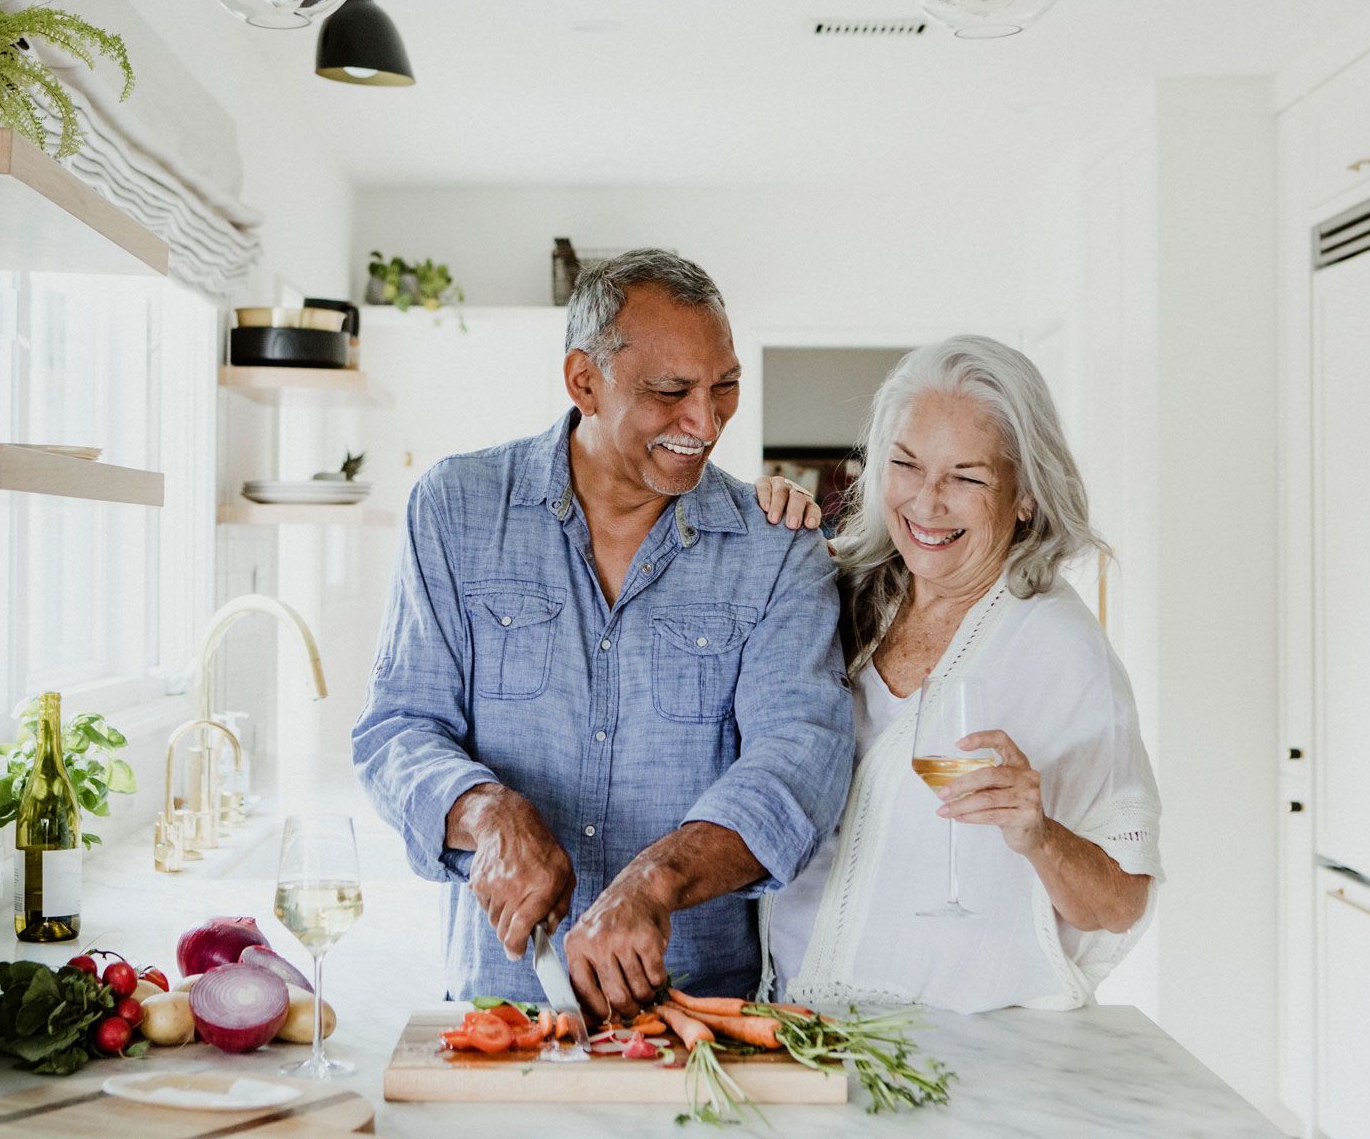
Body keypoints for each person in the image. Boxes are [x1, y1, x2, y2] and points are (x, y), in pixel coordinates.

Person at [352, 249, 853, 1018]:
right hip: (498, 1007)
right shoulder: (455, 509)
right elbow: (397, 728)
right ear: (583, 381)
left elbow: (799, 762)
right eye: (670, 392)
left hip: (699, 1016)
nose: (706, 422)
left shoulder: (777, 546)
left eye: (725, 388)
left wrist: (656, 881)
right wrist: (487, 813)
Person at [756, 335, 1161, 1013]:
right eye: (906, 465)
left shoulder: (1059, 649)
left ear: (1025, 495)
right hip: (789, 1021)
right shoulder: (836, 592)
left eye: (967, 477)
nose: (927, 501)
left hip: (955, 1051)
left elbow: (1119, 903)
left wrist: (1039, 834)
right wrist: (758, 523)